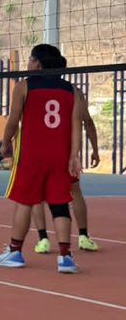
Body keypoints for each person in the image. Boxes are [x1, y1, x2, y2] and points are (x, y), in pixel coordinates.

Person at [0, 44, 83, 273]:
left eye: (30, 60)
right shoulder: (73, 91)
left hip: (31, 155)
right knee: (60, 204)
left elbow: (13, 120)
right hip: (60, 156)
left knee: (25, 202)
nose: (28, 64)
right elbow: (75, 128)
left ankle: (15, 251)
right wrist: (74, 155)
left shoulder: (24, 86)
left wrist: (6, 142)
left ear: (38, 63)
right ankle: (65, 257)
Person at [32, 88, 100, 254]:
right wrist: (95, 150)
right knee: (75, 191)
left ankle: (43, 239)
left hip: (41, 150)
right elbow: (88, 122)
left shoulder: (33, 89)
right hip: (65, 151)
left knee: (37, 195)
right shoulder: (73, 92)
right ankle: (83, 236)